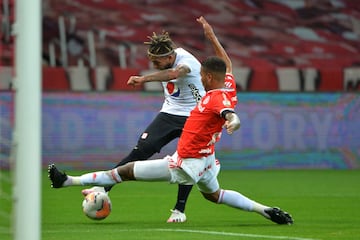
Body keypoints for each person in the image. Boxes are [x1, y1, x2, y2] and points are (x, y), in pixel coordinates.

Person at [49, 55, 294, 225]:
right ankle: (265, 210)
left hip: (186, 164)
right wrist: (210, 36)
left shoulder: (214, 99)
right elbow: (226, 64)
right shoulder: (228, 86)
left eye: (202, 76)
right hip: (207, 160)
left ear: (207, 76)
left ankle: (67, 181)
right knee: (214, 195)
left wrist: (233, 121)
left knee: (122, 172)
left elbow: (230, 114)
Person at [82, 16, 237, 223]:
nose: (155, 64)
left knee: (188, 162)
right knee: (140, 151)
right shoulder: (167, 62)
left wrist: (143, 78)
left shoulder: (186, 62)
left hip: (196, 116)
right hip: (169, 113)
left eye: (158, 61)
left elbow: (174, 73)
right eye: (152, 61)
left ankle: (179, 210)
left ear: (170, 55)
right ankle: (103, 187)